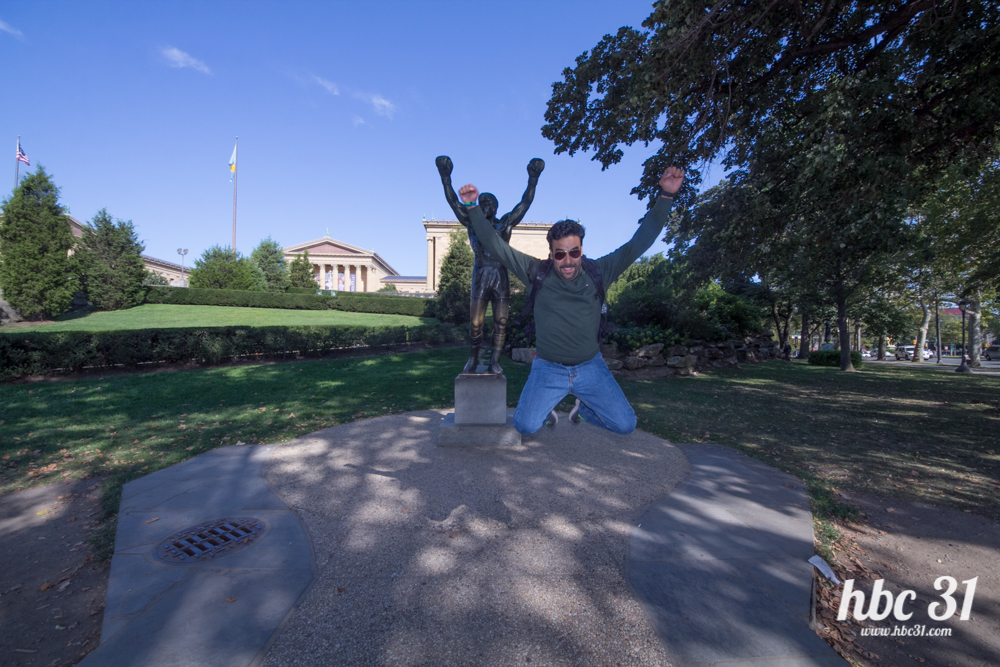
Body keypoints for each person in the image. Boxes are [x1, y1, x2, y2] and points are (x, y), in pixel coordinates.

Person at [457, 166, 685, 434]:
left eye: (574, 252)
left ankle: (585, 409)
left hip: (591, 367)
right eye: (560, 254)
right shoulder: (535, 273)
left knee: (625, 425)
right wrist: (472, 207)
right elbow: (495, 245)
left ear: (581, 250)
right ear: (551, 253)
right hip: (548, 369)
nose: (567, 261)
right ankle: (547, 406)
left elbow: (639, 243)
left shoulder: (600, 271)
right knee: (525, 426)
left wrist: (666, 197)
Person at [436, 156, 544, 374]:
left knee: (501, 321)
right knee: (475, 322)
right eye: (481, 202)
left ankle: (495, 362)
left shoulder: (505, 224)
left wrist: (533, 179)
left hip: (500, 274)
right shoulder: (472, 222)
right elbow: (454, 202)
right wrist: (445, 177)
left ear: (495, 207)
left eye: (488, 203)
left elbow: (525, 203)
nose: (484, 206)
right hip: (480, 273)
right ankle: (473, 358)